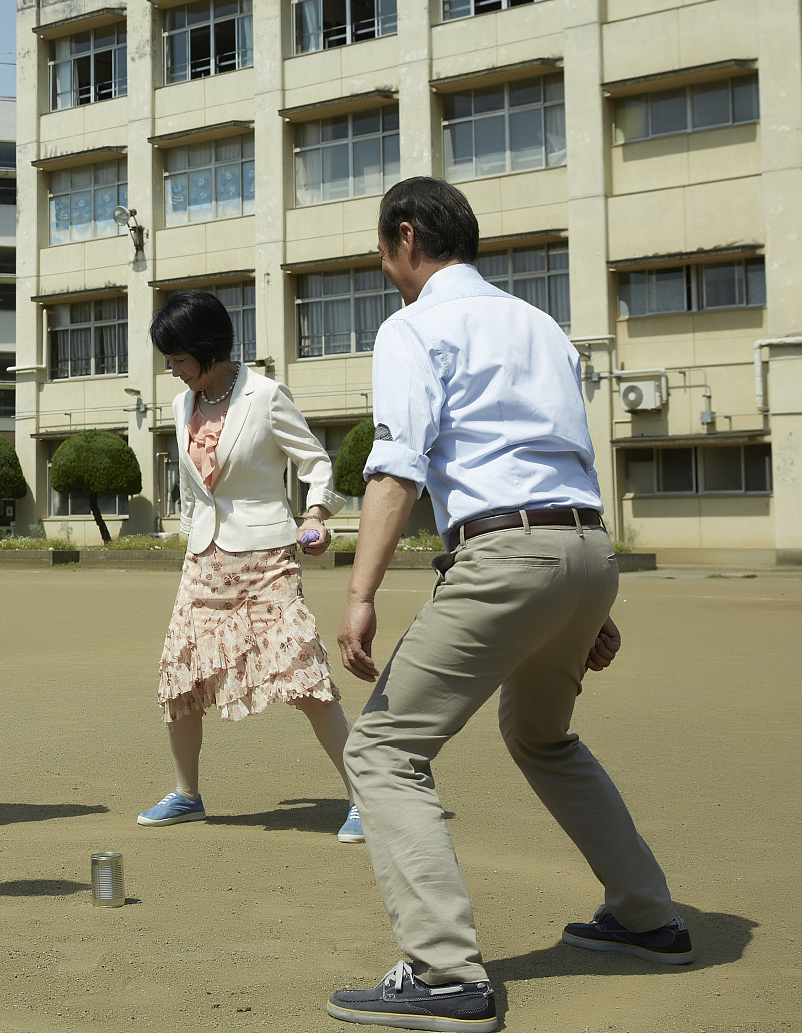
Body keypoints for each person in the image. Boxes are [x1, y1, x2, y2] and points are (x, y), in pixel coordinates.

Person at [323, 177, 686, 1032]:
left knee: (382, 749)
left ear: (407, 237)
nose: (384, 269)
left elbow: (397, 467)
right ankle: (646, 914)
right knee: (542, 734)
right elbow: (574, 455)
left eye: (382, 252)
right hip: (585, 547)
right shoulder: (541, 324)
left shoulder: (414, 326)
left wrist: (361, 592)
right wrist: (585, 600)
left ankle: (445, 972)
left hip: (504, 556)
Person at [136, 289, 361, 842]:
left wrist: (315, 514)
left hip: (266, 561)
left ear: (208, 349)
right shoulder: (182, 405)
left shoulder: (266, 395)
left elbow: (316, 463)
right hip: (204, 562)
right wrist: (191, 539)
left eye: (179, 359)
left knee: (304, 679)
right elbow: (195, 486)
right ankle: (187, 795)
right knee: (180, 679)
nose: (174, 371)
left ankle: (367, 796)